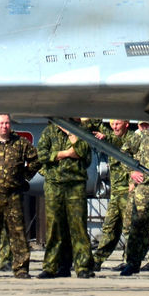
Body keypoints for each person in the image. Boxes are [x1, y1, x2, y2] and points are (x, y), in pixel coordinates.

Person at [0, 113, 40, 279]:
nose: (4, 126)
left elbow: (36, 160)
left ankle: (21, 269)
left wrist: (25, 176)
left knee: (17, 234)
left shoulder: (20, 143)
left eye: (7, 123)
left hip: (14, 196)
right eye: (1, 123)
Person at [36, 119, 93, 278]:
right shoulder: (49, 131)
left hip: (76, 184)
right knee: (55, 226)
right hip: (55, 185)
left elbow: (85, 156)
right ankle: (51, 266)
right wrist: (66, 153)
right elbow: (42, 155)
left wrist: (72, 135)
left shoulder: (81, 131)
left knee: (78, 226)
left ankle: (83, 267)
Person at [119, 120, 149, 277]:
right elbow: (124, 152)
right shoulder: (143, 136)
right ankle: (132, 263)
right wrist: (131, 171)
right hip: (144, 188)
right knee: (137, 226)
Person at [92, 119, 132, 270]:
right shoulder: (110, 133)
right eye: (112, 124)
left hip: (128, 190)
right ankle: (97, 260)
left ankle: (129, 261)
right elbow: (95, 122)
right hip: (116, 191)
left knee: (129, 227)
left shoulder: (131, 138)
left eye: (118, 124)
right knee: (110, 226)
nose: (114, 127)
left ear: (126, 124)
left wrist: (106, 137)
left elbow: (115, 141)